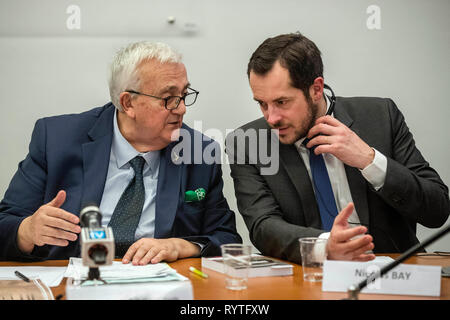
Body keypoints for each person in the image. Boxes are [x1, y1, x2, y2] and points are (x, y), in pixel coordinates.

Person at [0, 41, 242, 264]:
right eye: (168, 98)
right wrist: (28, 230)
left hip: (157, 287)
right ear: (128, 103)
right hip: (70, 283)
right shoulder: (56, 139)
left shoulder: (198, 152)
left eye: (184, 95)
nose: (181, 109)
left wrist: (181, 246)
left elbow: (227, 239)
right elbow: (5, 224)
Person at [226, 32, 449, 264]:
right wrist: (324, 246)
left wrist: (369, 160)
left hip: (393, 273)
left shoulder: (381, 116)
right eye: (262, 104)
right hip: (307, 280)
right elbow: (263, 227)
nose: (271, 118)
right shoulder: (248, 142)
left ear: (316, 89)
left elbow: (437, 211)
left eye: (282, 102)